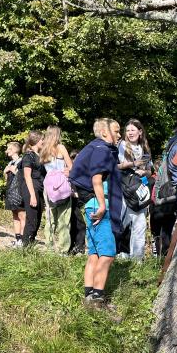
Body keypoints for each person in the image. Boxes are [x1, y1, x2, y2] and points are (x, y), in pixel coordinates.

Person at [68, 118, 123, 315]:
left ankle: (88, 297)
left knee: (94, 254)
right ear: (104, 132)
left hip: (90, 204)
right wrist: (102, 206)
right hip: (101, 206)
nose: (119, 135)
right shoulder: (102, 148)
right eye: (116, 131)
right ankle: (98, 302)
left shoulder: (96, 148)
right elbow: (96, 177)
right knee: (107, 254)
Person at [117, 119, 153, 260]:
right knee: (124, 221)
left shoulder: (144, 147)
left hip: (140, 188)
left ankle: (137, 258)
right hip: (125, 187)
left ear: (140, 131)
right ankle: (121, 255)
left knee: (141, 223)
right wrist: (133, 164)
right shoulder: (122, 145)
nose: (130, 133)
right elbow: (116, 166)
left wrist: (143, 172)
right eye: (128, 130)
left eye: (133, 130)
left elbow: (150, 171)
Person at [40, 126, 74, 254]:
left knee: (50, 218)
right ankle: (64, 250)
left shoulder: (43, 150)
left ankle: (49, 248)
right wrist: (67, 171)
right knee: (64, 218)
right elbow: (71, 166)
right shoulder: (61, 148)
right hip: (62, 185)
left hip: (48, 187)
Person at [19, 130, 46, 247]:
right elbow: (27, 175)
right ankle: (25, 246)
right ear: (36, 140)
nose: (44, 142)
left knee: (38, 218)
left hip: (39, 189)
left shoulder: (38, 155)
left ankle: (31, 243)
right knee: (31, 219)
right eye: (42, 139)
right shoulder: (28, 155)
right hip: (31, 189)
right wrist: (33, 196)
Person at [149, 158, 174, 258]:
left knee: (156, 236)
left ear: (155, 169)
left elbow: (149, 200)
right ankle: (165, 258)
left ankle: (156, 257)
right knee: (166, 234)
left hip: (155, 211)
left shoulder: (151, 180)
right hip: (168, 210)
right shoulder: (170, 179)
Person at [3, 141, 24, 248]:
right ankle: (17, 238)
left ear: (15, 150)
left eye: (9, 149)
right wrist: (5, 172)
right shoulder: (10, 163)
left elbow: (23, 177)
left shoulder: (21, 162)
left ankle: (23, 240)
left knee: (21, 215)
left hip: (19, 192)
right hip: (11, 192)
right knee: (15, 216)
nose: (7, 151)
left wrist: (13, 171)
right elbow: (8, 180)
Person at [68, 148, 86, 254]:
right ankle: (78, 249)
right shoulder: (69, 170)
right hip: (70, 200)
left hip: (78, 201)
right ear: (73, 159)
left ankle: (74, 248)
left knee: (75, 224)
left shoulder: (81, 170)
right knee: (79, 224)